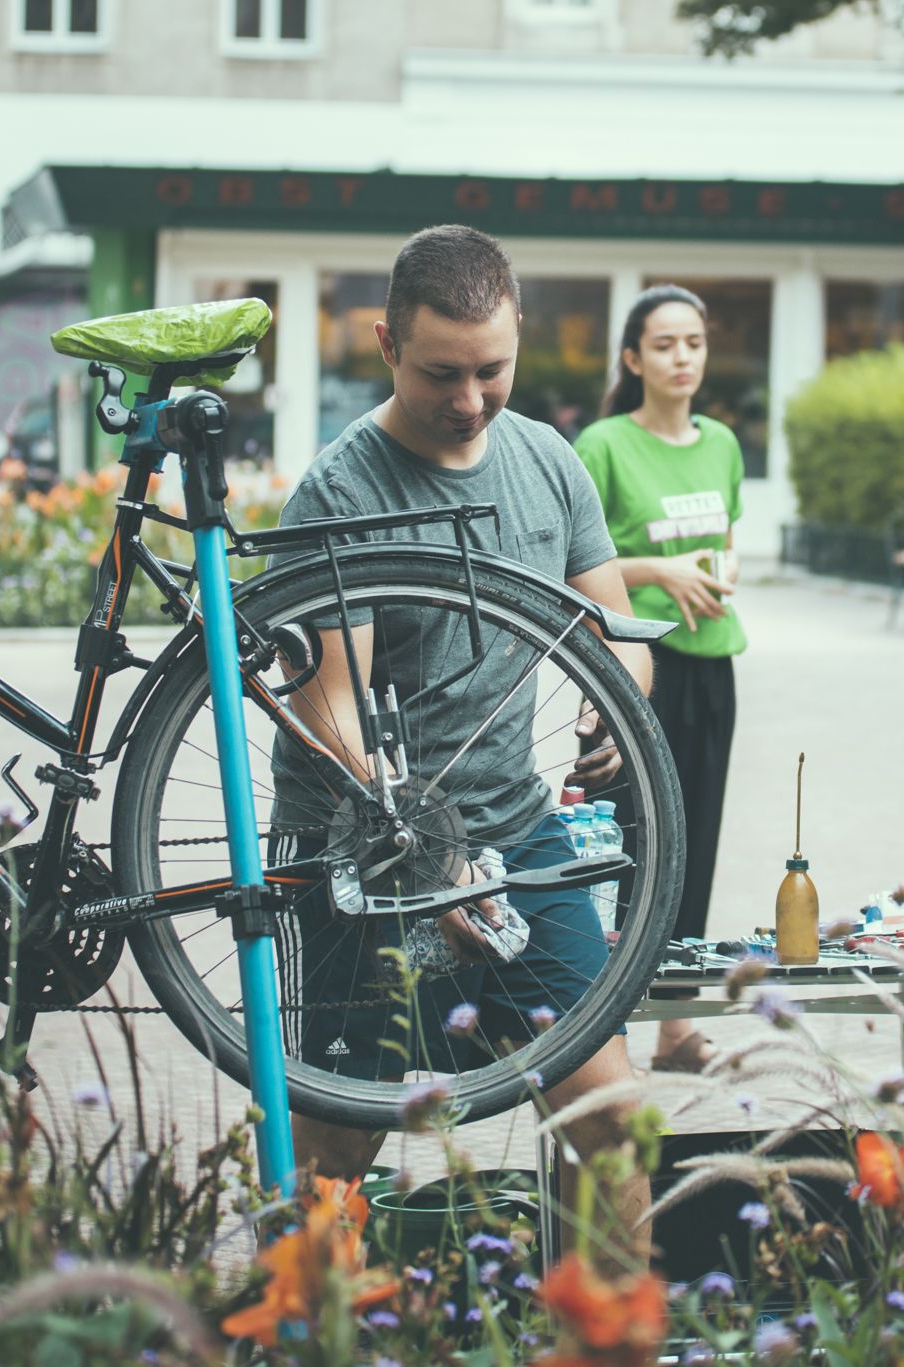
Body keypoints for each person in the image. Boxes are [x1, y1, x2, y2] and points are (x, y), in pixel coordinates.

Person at [272, 224, 655, 1260]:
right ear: (387, 341)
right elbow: (329, 707)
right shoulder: (340, 493)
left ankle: (601, 1330)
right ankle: (312, 1329)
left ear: (518, 335)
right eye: (443, 372)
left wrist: (606, 708)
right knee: (341, 1138)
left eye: (493, 369)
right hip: (359, 848)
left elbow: (612, 631)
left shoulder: (548, 462)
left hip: (515, 830)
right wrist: (425, 850)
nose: (473, 397)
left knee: (608, 1115)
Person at [576, 284, 746, 1075]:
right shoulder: (603, 444)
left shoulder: (723, 444)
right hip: (637, 666)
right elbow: (574, 561)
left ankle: (677, 1026)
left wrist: (724, 564)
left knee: (695, 845)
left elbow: (727, 532)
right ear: (632, 356)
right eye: (667, 343)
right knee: (626, 844)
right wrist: (657, 570)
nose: (684, 357)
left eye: (695, 342)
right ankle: (602, 1026)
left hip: (713, 661)